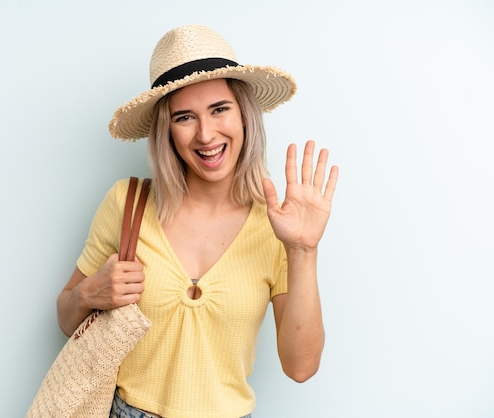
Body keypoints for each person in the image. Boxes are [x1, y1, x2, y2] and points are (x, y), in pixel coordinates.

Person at [57, 24, 338, 418]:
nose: (206, 135)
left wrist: (303, 250)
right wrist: (88, 295)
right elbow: (66, 318)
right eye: (184, 117)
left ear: (244, 114)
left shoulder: (277, 226)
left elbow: (301, 367)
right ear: (166, 131)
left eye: (219, 109)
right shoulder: (128, 203)